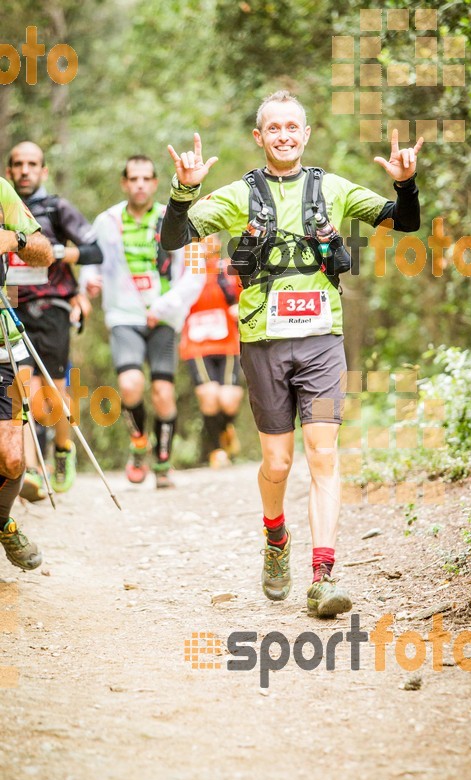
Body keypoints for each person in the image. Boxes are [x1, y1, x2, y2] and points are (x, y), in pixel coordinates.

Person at [161, 90, 423, 618]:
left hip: (322, 341)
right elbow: (173, 237)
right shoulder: (239, 195)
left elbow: (406, 221)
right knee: (278, 462)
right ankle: (275, 537)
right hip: (262, 343)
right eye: (273, 128)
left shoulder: (333, 188)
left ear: (306, 134)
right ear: (259, 138)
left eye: (292, 127)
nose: (284, 135)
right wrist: (183, 192)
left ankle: (322, 576)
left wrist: (405, 182)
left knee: (323, 455)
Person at [80, 155, 204, 488]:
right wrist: (89, 283)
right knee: (131, 385)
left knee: (163, 392)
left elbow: (195, 273)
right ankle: (138, 444)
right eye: (132, 178)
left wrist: (165, 305)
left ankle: (163, 460)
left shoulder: (174, 218)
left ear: (154, 183)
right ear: (124, 183)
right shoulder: (107, 221)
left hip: (164, 316)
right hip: (124, 315)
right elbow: (90, 260)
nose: (139, 184)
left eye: (145, 178)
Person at [6, 141, 103, 501]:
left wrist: (51, 253)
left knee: (52, 393)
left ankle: (63, 449)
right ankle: (30, 469)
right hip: (12, 306)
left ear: (43, 171)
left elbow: (95, 249)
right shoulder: (4, 207)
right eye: (18, 164)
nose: (26, 170)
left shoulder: (55, 207)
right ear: (10, 171)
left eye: (33, 164)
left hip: (53, 304)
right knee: (23, 389)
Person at [0, 175, 53, 570]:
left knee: (13, 460)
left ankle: (3, 523)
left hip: (3, 347)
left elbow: (44, 253)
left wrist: (14, 241)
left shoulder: (1, 191)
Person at [179, 234, 243, 468]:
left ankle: (226, 429)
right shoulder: (184, 271)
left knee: (228, 400)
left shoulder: (226, 269)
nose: (207, 244)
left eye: (211, 238)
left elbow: (246, 293)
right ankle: (217, 450)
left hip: (227, 343)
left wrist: (240, 307)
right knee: (209, 396)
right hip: (196, 345)